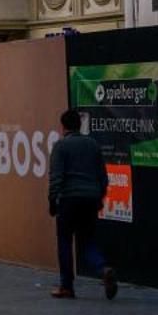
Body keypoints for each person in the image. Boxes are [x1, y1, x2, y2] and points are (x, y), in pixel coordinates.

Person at [46, 107, 114, 300]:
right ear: (80, 124)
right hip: (91, 199)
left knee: (65, 242)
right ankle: (103, 268)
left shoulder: (61, 146)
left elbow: (56, 177)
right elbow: (103, 176)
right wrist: (99, 197)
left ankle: (66, 286)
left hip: (69, 200)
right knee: (87, 241)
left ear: (63, 126)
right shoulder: (93, 145)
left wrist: (52, 201)